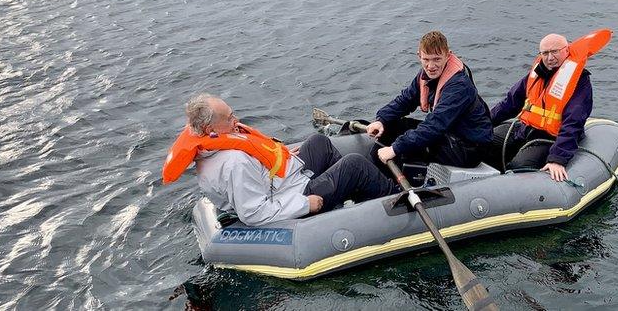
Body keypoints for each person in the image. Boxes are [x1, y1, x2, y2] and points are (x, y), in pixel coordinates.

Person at [162, 94, 399, 227]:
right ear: (209, 127)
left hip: (284, 184)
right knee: (353, 165)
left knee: (318, 142)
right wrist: (306, 204)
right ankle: (396, 200)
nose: (236, 119)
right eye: (229, 117)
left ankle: (350, 200)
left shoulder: (211, 144)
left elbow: (257, 171)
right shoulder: (233, 164)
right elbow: (254, 213)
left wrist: (283, 156)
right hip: (292, 197)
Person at [487, 29, 611, 181]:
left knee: (520, 166)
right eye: (545, 53)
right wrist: (484, 122)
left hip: (551, 137)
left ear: (566, 50)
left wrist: (557, 159)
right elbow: (509, 103)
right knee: (484, 141)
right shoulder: (537, 74)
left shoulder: (579, 81)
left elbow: (574, 122)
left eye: (555, 52)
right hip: (525, 129)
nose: (550, 58)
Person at [364, 31, 493, 169]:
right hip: (450, 133)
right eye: (426, 60)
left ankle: (391, 182)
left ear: (448, 55)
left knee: (410, 146)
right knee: (392, 126)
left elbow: (435, 125)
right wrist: (381, 119)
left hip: (469, 148)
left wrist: (395, 148)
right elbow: (405, 100)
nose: (431, 66)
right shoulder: (425, 75)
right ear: (419, 56)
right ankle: (373, 171)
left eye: (437, 59)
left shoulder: (459, 86)